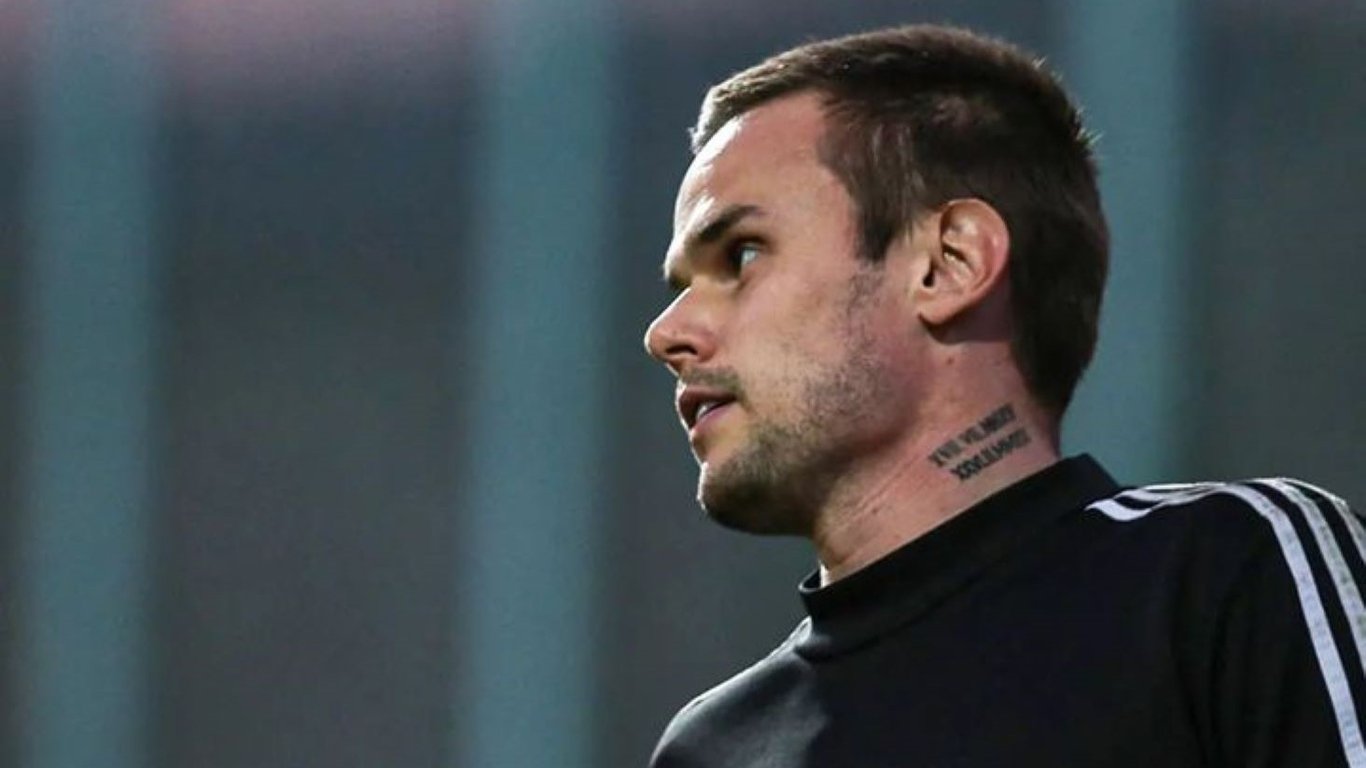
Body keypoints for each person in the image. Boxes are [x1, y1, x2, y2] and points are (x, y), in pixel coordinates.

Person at [641, 23, 1363, 768]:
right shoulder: (709, 750)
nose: (665, 334)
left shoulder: (1224, 578)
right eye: (681, 287)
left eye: (742, 254)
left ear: (949, 263)